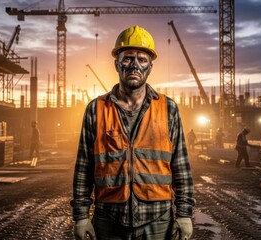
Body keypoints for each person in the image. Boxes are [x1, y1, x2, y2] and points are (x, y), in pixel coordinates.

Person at [71, 25, 195, 240]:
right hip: (109, 218)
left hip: (157, 219)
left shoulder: (168, 108)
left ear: (150, 67)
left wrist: (184, 215)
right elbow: (84, 167)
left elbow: (180, 166)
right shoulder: (96, 109)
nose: (134, 65)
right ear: (117, 63)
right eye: (128, 58)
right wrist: (81, 217)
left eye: (142, 59)